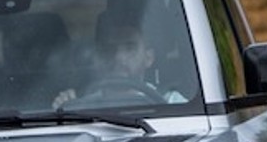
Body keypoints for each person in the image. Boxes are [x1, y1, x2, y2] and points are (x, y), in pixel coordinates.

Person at [51, 14, 186, 108]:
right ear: (97, 58)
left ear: (148, 58)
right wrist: (65, 112)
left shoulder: (173, 104)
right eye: (109, 49)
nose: (119, 57)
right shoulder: (81, 107)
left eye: (130, 47)